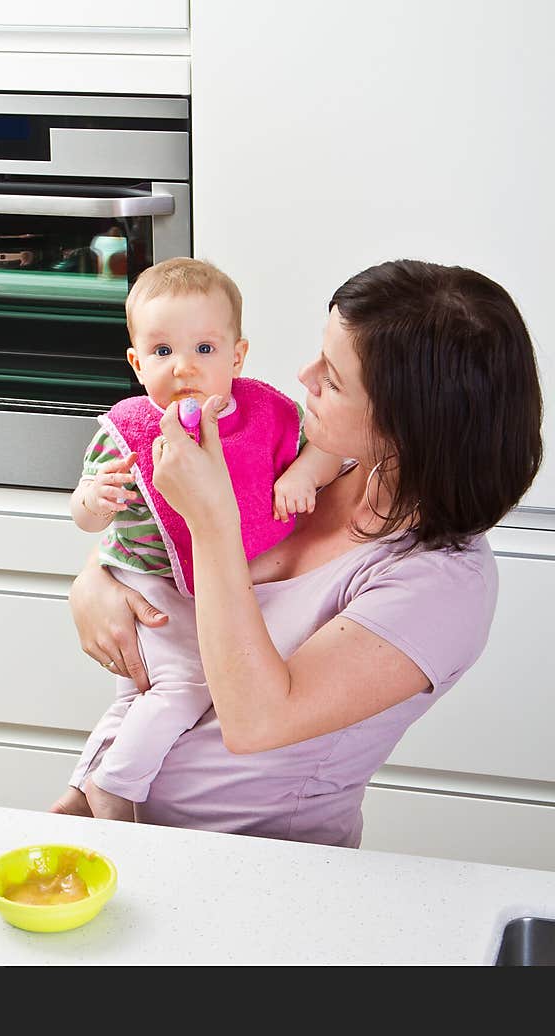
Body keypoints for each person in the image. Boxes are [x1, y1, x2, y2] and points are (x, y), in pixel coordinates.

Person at [63, 259, 543, 846]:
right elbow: (162, 546)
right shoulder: (312, 466)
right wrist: (94, 581)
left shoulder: (441, 583)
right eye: (321, 353)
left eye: (334, 379)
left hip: (264, 866)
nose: (304, 375)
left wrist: (209, 519)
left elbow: (256, 719)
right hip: (130, 831)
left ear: (409, 423)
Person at [54, 258, 343, 821]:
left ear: (237, 356)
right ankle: (116, 786)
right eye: (163, 353)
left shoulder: (267, 413)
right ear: (137, 364)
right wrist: (95, 502)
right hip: (151, 578)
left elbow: (327, 447)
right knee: (183, 685)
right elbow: (84, 515)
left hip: (196, 583)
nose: (184, 367)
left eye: (204, 350)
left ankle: (83, 788)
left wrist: (302, 474)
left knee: (138, 694)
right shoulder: (130, 427)